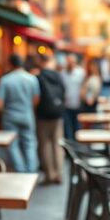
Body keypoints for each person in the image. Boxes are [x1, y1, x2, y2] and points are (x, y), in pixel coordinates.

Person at [0, 54, 40, 173]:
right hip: (27, 114)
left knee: (12, 145)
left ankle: (21, 171)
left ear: (10, 64)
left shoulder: (5, 80)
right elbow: (36, 99)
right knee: (29, 143)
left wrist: (5, 112)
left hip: (10, 115)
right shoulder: (32, 78)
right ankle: (31, 171)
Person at [31, 55, 66, 184]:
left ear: (40, 62)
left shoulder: (38, 77)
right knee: (57, 144)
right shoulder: (57, 76)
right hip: (57, 114)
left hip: (43, 115)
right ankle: (59, 174)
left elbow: (36, 98)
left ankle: (49, 174)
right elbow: (63, 92)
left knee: (44, 145)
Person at [60, 54, 86, 140]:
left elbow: (84, 87)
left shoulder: (81, 73)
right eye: (69, 62)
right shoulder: (62, 74)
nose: (71, 64)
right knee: (68, 130)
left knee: (77, 128)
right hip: (66, 105)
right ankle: (70, 151)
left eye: (72, 62)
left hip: (78, 105)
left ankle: (77, 148)